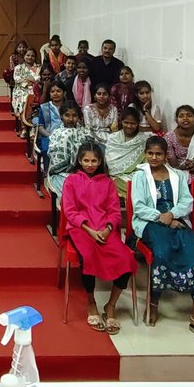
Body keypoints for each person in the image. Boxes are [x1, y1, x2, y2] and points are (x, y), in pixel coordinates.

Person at [130, 137, 194, 345]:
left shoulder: (178, 175)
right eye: (150, 153)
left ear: (166, 155)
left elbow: (187, 201)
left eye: (158, 154)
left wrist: (171, 215)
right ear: (145, 154)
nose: (154, 157)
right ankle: (153, 304)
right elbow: (139, 206)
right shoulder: (140, 176)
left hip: (177, 221)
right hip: (150, 223)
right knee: (161, 253)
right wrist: (161, 217)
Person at [61, 141, 136, 335]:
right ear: (79, 160)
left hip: (105, 229)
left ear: (101, 161)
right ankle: (91, 301)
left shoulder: (108, 182)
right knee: (88, 257)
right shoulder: (71, 181)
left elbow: (114, 211)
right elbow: (70, 211)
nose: (90, 164)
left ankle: (110, 305)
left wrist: (108, 227)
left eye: (94, 160)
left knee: (126, 259)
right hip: (81, 229)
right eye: (86, 160)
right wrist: (88, 229)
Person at [46, 102, 93, 198]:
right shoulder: (56, 134)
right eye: (67, 115)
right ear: (61, 116)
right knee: (71, 192)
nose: (71, 119)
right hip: (60, 173)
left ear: (79, 117)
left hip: (85, 170)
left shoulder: (85, 133)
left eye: (74, 115)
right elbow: (54, 160)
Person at [105, 106, 149, 204]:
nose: (129, 126)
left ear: (138, 124)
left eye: (133, 123)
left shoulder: (144, 140)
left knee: (140, 183)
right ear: (121, 121)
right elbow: (110, 161)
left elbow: (145, 164)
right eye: (126, 122)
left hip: (136, 175)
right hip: (115, 176)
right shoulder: (113, 138)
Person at [33, 81, 69, 158]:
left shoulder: (69, 106)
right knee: (47, 150)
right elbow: (40, 127)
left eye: (58, 91)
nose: (55, 93)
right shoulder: (44, 107)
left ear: (65, 93)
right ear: (50, 94)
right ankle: (48, 170)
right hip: (49, 136)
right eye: (52, 91)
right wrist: (51, 136)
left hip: (68, 136)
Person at [10, 48, 39, 138]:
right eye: (28, 55)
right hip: (21, 89)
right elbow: (17, 79)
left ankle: (33, 128)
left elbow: (38, 79)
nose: (30, 57)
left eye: (32, 56)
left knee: (34, 100)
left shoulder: (38, 67)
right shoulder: (18, 67)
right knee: (24, 100)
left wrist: (33, 81)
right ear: (24, 56)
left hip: (35, 89)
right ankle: (25, 127)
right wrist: (30, 81)